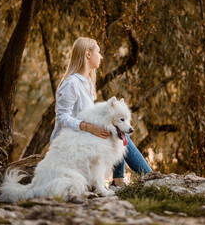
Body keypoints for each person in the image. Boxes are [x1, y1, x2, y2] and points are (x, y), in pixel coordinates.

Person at [49, 37, 152, 188]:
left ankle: (119, 179)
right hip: (70, 140)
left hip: (83, 135)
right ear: (88, 54)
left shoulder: (87, 83)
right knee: (121, 135)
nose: (101, 56)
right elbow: (62, 118)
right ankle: (151, 177)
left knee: (118, 130)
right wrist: (89, 127)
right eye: (99, 52)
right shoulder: (71, 83)